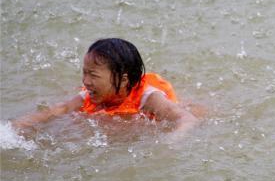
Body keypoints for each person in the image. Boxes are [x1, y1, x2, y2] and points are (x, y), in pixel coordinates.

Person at [11, 38, 197, 138]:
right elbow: (57, 110)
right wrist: (16, 127)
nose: (86, 81)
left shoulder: (149, 98)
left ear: (123, 80)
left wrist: (173, 140)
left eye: (93, 75)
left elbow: (186, 118)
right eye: (84, 73)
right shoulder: (87, 96)